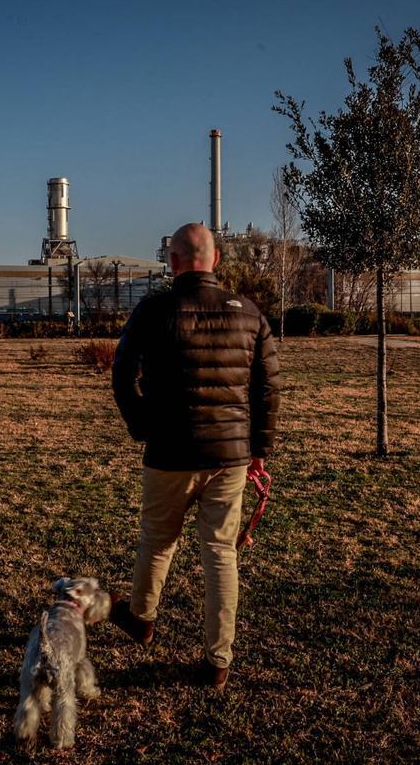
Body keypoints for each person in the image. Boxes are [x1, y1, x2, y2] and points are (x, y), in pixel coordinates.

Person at [109, 222, 280, 689]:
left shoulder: (154, 310)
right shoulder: (249, 313)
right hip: (230, 456)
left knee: (157, 538)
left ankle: (142, 617)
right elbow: (268, 388)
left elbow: (122, 372)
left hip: (169, 451)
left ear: (174, 262)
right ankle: (217, 661)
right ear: (216, 260)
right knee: (220, 554)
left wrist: (141, 424)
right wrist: (259, 450)